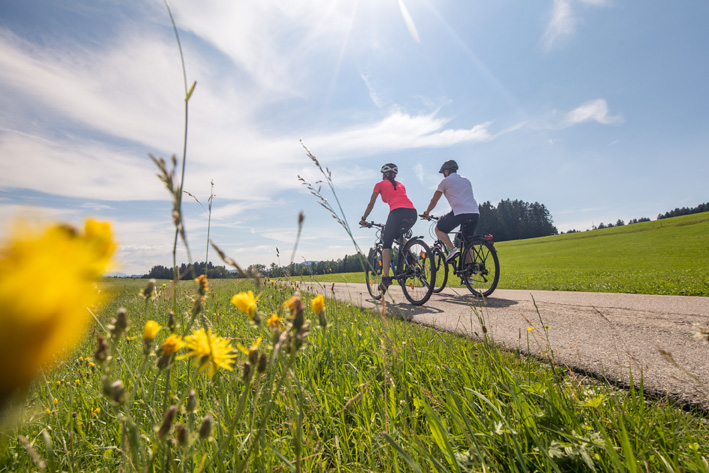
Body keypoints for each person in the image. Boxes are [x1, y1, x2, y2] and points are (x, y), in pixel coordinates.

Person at [360, 163, 417, 291]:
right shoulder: (401, 185)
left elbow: (371, 204)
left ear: (384, 174)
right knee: (398, 236)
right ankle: (411, 257)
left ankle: (385, 278)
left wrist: (363, 219)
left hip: (397, 213)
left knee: (387, 243)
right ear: (394, 175)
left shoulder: (379, 185)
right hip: (412, 213)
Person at [422, 159, 479, 264]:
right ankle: (468, 272)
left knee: (439, 229)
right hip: (475, 212)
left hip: (459, 212)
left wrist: (427, 213)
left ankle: (452, 250)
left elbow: (434, 201)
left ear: (447, 171)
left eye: (444, 172)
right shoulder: (466, 180)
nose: (444, 175)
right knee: (467, 242)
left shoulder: (445, 181)